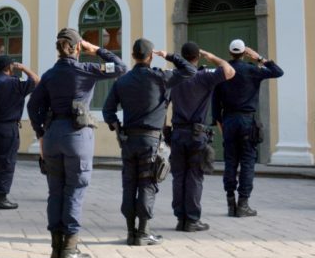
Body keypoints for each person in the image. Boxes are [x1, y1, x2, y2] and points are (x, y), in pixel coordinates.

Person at [27, 28, 126, 258]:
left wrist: (41, 133)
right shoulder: (86, 69)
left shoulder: (50, 75)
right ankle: (70, 251)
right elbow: (120, 68)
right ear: (78, 47)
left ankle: (56, 249)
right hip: (77, 137)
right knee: (74, 191)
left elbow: (32, 106)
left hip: (52, 137)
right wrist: (97, 49)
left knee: (55, 192)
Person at [102, 39, 195, 246]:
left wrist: (118, 129)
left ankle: (130, 232)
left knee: (129, 184)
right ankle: (143, 232)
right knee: (147, 184)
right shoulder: (160, 77)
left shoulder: (122, 81)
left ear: (133, 56)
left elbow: (108, 111)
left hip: (128, 140)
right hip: (151, 140)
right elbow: (190, 70)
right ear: (150, 56)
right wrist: (169, 56)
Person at [211, 39, 283, 218]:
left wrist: (221, 124)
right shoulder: (253, 70)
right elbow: (278, 72)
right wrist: (259, 57)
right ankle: (243, 204)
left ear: (230, 53)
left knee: (230, 162)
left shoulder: (223, 72)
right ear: (244, 53)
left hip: (228, 121)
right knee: (248, 162)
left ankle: (230, 203)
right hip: (247, 121)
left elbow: (214, 106)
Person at [169, 42, 234, 232]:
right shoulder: (204, 77)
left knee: (178, 176)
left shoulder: (174, 78)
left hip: (177, 132)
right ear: (197, 57)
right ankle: (192, 219)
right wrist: (212, 56)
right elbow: (229, 71)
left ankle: (180, 218)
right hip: (196, 134)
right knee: (194, 177)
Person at [0, 55, 39, 210]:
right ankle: (1, 197)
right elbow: (36, 81)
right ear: (10, 67)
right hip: (8, 128)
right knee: (6, 162)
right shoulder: (15, 83)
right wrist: (24, 68)